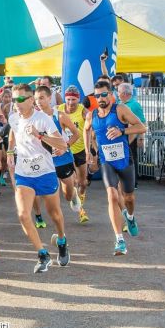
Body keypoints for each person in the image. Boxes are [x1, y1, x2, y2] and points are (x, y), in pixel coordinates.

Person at [6, 84, 70, 274]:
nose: (16, 103)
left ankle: (61, 240)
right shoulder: (13, 118)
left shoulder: (43, 119)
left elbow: (62, 144)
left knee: (55, 214)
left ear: (30, 100)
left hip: (45, 172)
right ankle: (42, 254)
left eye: (20, 99)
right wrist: (9, 151)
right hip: (24, 174)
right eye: (14, 99)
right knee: (23, 215)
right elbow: (13, 133)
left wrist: (39, 135)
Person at [86, 80, 146, 255]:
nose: (100, 98)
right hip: (107, 161)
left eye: (104, 94)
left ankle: (130, 217)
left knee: (129, 198)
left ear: (111, 94)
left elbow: (141, 127)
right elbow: (86, 129)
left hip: (124, 160)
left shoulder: (120, 110)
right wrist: (90, 152)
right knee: (112, 196)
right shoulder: (92, 115)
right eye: (97, 96)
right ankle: (119, 240)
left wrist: (122, 131)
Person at [35, 86, 82, 214]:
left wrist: (65, 147)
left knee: (67, 195)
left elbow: (76, 134)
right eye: (36, 99)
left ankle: (73, 195)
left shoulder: (59, 116)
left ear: (49, 98)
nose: (38, 102)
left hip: (62, 159)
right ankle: (57, 219)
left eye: (41, 98)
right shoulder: (34, 118)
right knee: (51, 194)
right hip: (46, 161)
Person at [57, 85, 90, 224]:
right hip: (66, 151)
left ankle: (79, 201)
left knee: (83, 183)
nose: (70, 103)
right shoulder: (58, 110)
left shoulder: (83, 111)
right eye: (68, 99)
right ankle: (81, 211)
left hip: (80, 150)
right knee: (74, 182)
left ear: (78, 99)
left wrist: (92, 150)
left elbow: (90, 129)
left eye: (73, 100)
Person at [118, 82, 147, 179]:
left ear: (124, 94)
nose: (118, 94)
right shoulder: (121, 104)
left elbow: (143, 123)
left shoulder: (134, 105)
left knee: (132, 159)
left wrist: (141, 138)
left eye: (119, 92)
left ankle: (133, 181)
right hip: (124, 136)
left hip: (131, 137)